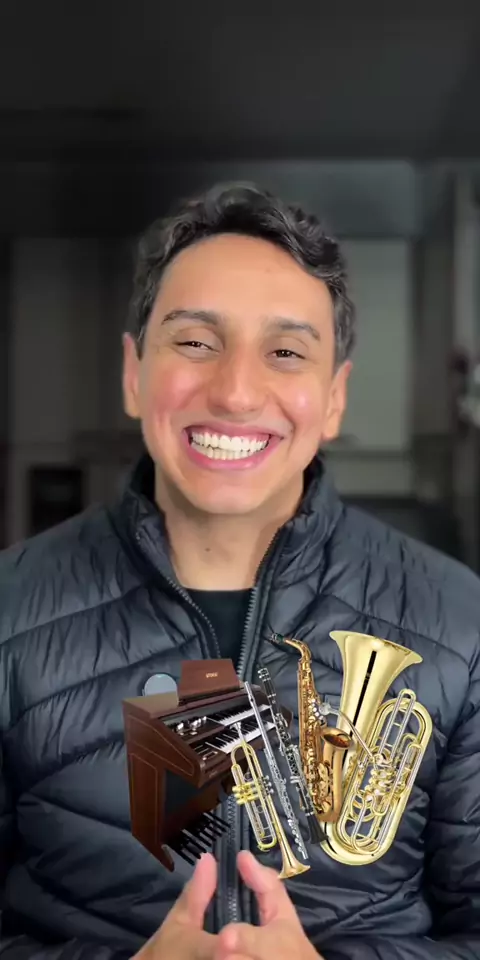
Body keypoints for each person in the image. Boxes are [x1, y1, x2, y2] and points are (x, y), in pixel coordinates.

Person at [0, 181, 479, 960]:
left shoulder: (464, 623)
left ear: (334, 398)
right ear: (133, 373)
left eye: (285, 352)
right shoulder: (8, 610)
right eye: (195, 342)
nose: (235, 391)